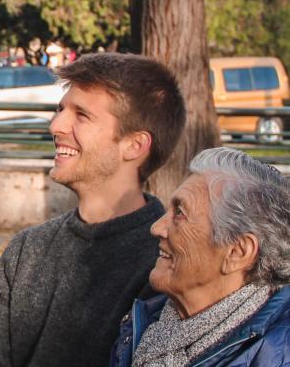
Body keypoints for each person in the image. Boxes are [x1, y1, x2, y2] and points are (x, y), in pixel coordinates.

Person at [0, 53, 186, 367]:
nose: (56, 125)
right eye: (60, 109)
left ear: (134, 145)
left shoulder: (167, 262)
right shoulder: (27, 249)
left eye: (81, 115)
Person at [110, 147, 290, 367]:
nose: (157, 228)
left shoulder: (278, 355)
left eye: (179, 213)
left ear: (238, 252)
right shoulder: (144, 326)